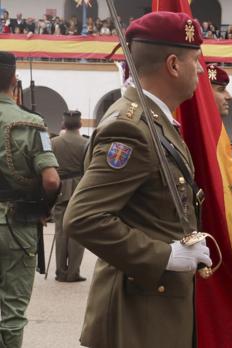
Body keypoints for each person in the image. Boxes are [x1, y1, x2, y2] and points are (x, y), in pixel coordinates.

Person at [63, 12, 212, 348]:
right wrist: (164, 255)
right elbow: (83, 217)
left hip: (155, 305)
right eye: (196, 60)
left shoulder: (156, 121)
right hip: (137, 313)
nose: (201, 70)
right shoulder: (130, 127)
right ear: (173, 65)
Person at [0, 51, 60, 348]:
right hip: (16, 223)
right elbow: (51, 179)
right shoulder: (32, 123)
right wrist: (43, 207)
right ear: (14, 80)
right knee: (12, 310)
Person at [51, 110, 87, 282]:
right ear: (80, 124)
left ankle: (60, 271)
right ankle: (73, 272)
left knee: (60, 231)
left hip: (59, 189)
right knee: (77, 232)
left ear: (63, 124)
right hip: (80, 189)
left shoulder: (53, 142)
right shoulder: (86, 143)